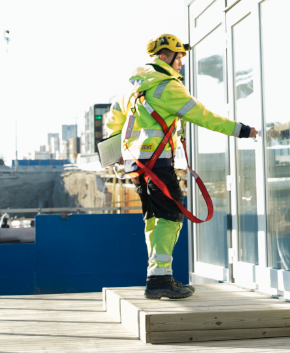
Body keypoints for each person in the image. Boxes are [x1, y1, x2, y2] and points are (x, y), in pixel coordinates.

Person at [105, 34, 257, 299]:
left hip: (136, 163)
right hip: (157, 163)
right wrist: (242, 130)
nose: (181, 63)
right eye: (178, 57)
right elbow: (203, 116)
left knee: (154, 217)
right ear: (166, 56)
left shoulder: (131, 86)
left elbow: (114, 119)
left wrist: (115, 149)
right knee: (170, 215)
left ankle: (158, 276)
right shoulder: (168, 87)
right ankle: (159, 280)